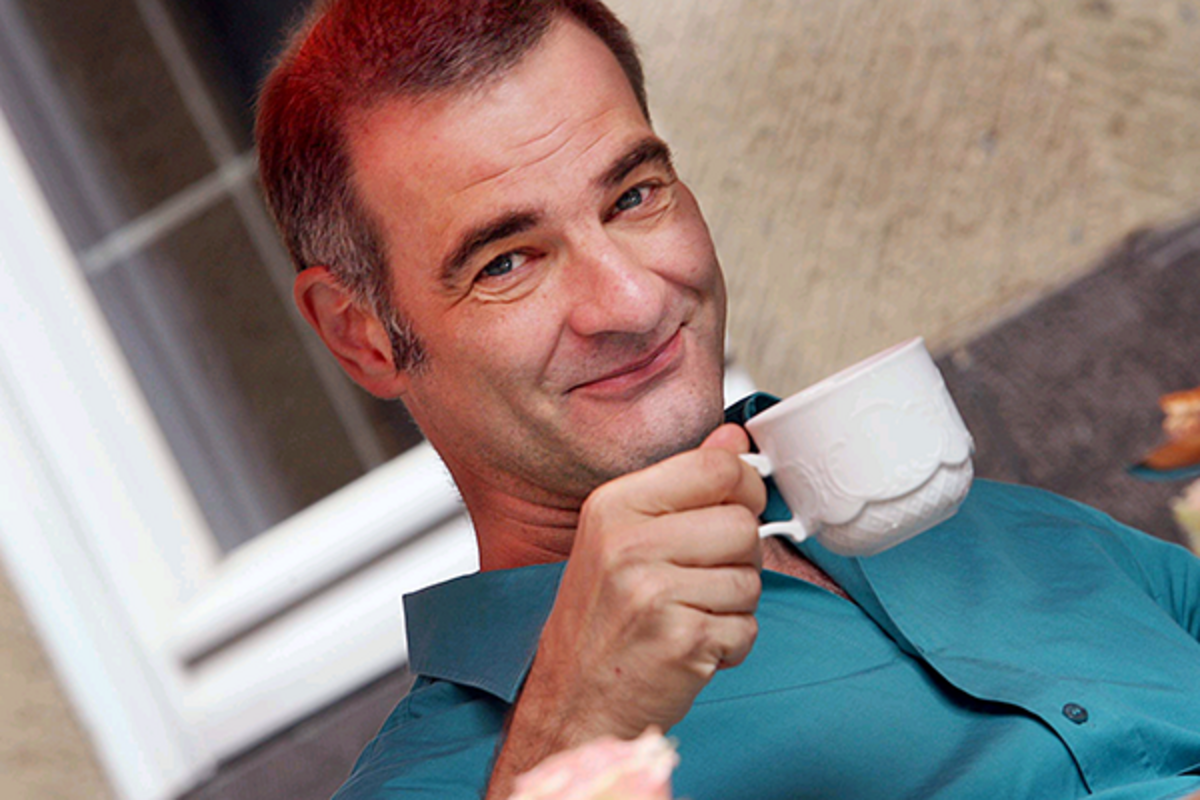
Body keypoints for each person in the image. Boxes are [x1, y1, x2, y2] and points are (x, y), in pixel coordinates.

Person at [255, 1, 1200, 797]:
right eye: (506, 261)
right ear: (360, 334)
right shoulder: (442, 777)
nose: (632, 302)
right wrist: (580, 728)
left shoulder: (962, 516)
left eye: (633, 196)